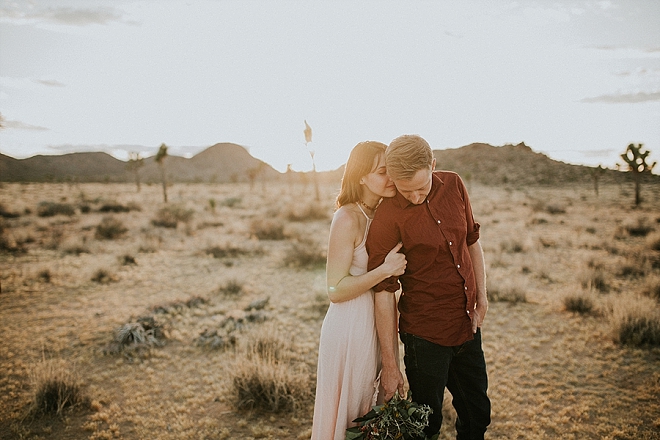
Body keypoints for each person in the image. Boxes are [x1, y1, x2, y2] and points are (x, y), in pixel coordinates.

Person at [366, 134, 491, 439]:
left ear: (433, 166)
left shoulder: (455, 185)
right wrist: (392, 366)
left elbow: (472, 242)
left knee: (478, 417)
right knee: (423, 427)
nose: (415, 197)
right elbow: (383, 291)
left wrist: (482, 300)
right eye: (406, 191)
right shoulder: (387, 217)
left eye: (422, 187)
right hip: (425, 336)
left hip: (466, 325)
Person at [311, 141, 407, 440]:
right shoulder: (347, 218)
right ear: (361, 176)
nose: (390, 177)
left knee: (370, 408)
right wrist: (384, 270)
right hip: (349, 328)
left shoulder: (380, 214)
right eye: (382, 172)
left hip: (375, 324)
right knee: (350, 412)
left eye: (391, 170)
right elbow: (335, 290)